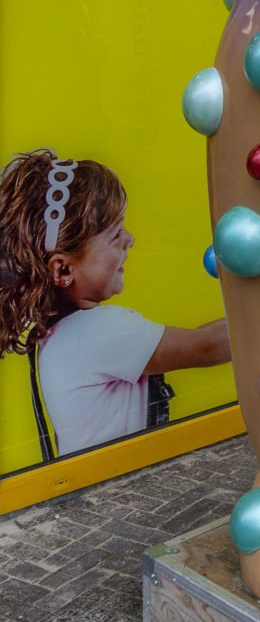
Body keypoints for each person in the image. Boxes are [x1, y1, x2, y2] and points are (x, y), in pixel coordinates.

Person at [0, 150, 231, 457]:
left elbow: (198, 339)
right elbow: (208, 347)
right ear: (63, 269)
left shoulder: (58, 336)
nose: (130, 239)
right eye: (116, 233)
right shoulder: (97, 331)